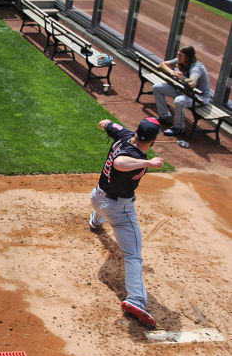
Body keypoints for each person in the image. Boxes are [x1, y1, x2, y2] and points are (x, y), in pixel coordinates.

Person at [89, 117, 164, 329]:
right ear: (154, 140)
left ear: (137, 131)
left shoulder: (124, 135)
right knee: (133, 255)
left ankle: (95, 222)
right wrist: (148, 162)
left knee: (101, 209)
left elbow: (104, 123)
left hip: (97, 198)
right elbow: (120, 163)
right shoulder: (134, 155)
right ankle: (136, 301)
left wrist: (107, 125)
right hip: (119, 210)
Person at [153, 46, 212, 138]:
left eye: (180, 55)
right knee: (157, 87)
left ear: (187, 57)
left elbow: (192, 82)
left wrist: (182, 78)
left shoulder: (196, 67)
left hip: (199, 98)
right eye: (178, 54)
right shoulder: (181, 60)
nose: (178, 57)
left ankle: (179, 128)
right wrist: (172, 72)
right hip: (185, 92)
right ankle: (165, 117)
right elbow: (162, 65)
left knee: (179, 101)